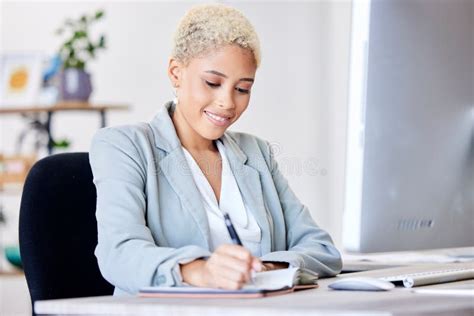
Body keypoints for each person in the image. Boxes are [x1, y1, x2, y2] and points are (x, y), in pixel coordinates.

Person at [89, 3, 342, 296]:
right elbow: (118, 253)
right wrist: (200, 270)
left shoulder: (256, 153)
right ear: (175, 73)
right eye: (212, 82)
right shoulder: (124, 146)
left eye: (242, 88)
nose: (228, 102)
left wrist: (268, 268)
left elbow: (321, 248)